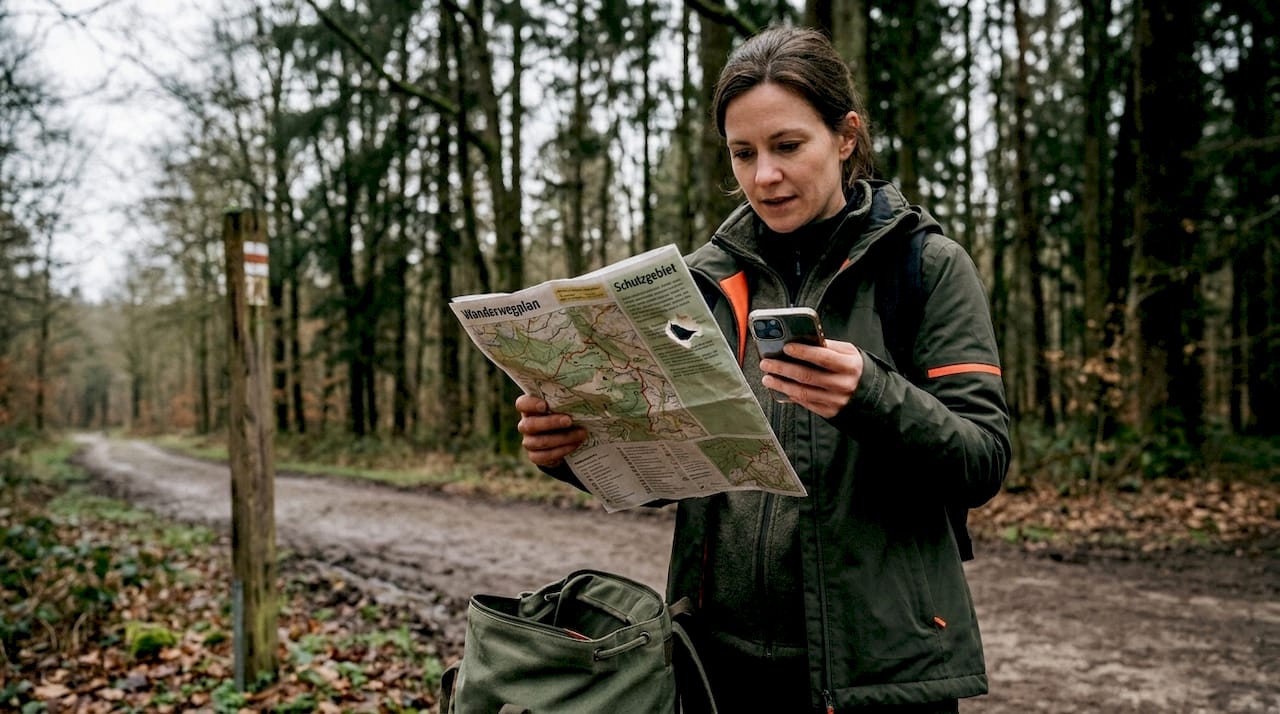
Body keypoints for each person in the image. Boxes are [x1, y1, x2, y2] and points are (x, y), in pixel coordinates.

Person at [516, 25, 1010, 713]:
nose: (764, 176)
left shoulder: (925, 268)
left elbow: (982, 460)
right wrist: (571, 449)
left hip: (880, 669)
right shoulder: (696, 284)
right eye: (743, 154)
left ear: (845, 137)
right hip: (720, 666)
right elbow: (674, 469)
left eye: (787, 146)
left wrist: (871, 394)